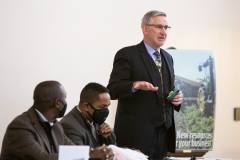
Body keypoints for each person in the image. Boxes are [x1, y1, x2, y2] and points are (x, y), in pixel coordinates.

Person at [107, 10, 183, 160]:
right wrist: (134, 85)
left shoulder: (168, 58)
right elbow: (112, 89)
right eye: (159, 27)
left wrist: (177, 98)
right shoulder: (127, 54)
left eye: (166, 28)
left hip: (163, 134)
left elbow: (168, 90)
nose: (164, 32)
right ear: (145, 28)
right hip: (136, 135)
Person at [0, 80, 114, 160]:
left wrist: (99, 152)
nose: (66, 102)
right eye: (65, 98)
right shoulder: (20, 126)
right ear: (58, 103)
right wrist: (91, 155)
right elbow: (42, 158)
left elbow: (73, 151)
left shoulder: (55, 125)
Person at [60, 82, 116, 148]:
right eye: (102, 107)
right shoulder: (69, 126)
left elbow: (114, 150)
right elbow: (78, 156)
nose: (106, 110)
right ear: (86, 106)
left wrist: (107, 137)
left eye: (107, 106)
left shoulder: (95, 119)